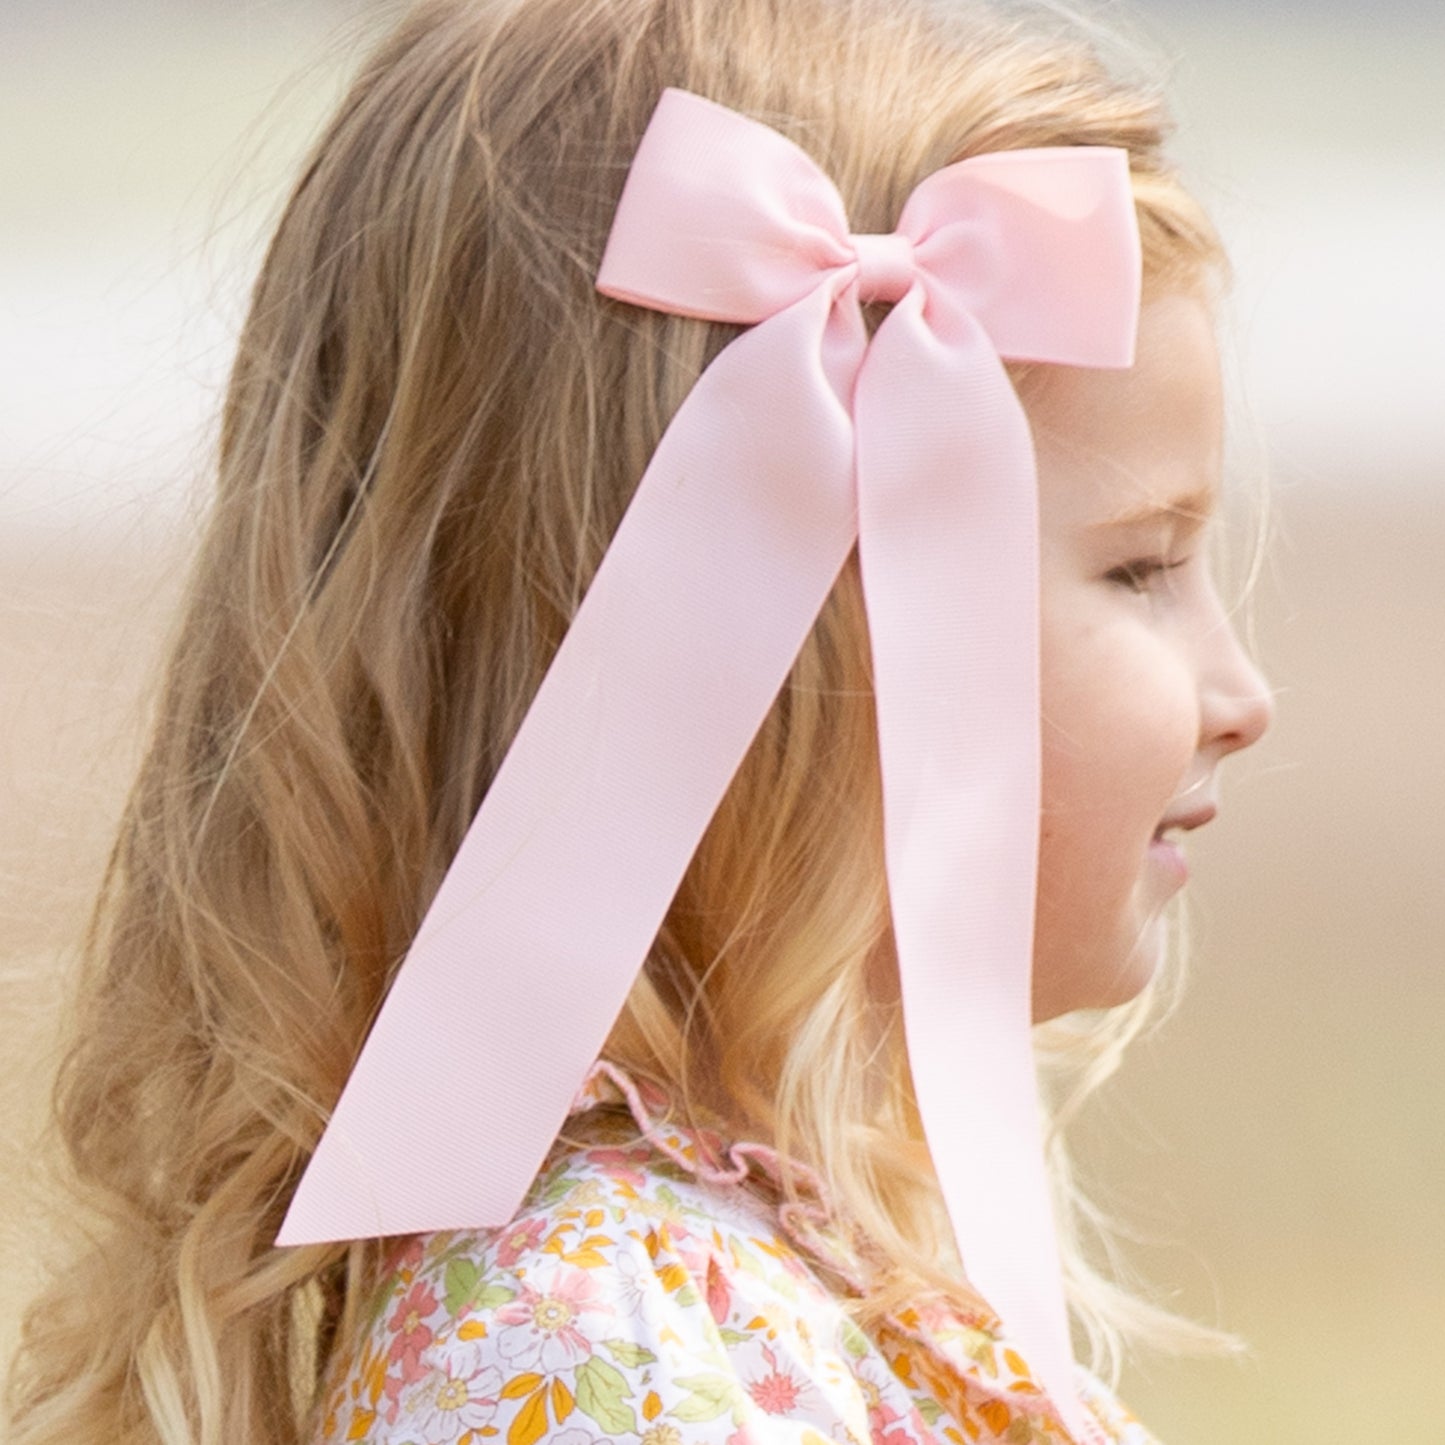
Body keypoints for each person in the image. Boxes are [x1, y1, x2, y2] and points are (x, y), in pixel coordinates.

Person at [5, 0, 1273, 1441]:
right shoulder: (597, 1342)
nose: (1242, 695)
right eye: (1142, 566)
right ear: (774, 632)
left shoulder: (755, 1277)